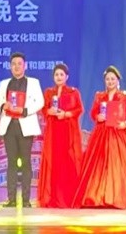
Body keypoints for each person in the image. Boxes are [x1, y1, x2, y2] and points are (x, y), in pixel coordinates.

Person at [73, 65, 126, 209]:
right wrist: (97, 117)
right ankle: (99, 196)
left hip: (120, 133)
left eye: (113, 79)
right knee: (100, 165)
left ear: (118, 80)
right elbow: (93, 112)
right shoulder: (99, 96)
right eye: (108, 79)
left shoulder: (125, 96)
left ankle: (119, 196)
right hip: (102, 133)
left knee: (121, 164)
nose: (110, 81)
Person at [0, 52, 43, 208]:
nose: (16, 67)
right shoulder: (4, 83)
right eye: (13, 64)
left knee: (26, 162)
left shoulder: (33, 82)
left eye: (19, 64)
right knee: (11, 163)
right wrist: (3, 106)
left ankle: (26, 199)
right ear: (10, 66)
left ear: (25, 66)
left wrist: (24, 110)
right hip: (9, 126)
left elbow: (40, 102)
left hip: (25, 125)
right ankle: (11, 199)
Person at [37, 63, 83, 209]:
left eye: (61, 74)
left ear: (67, 77)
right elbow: (43, 109)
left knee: (68, 162)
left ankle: (68, 198)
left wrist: (66, 114)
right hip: (53, 131)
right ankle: (53, 198)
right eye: (56, 74)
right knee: (54, 161)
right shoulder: (49, 93)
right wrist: (48, 111)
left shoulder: (73, 92)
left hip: (68, 131)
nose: (59, 77)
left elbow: (79, 109)